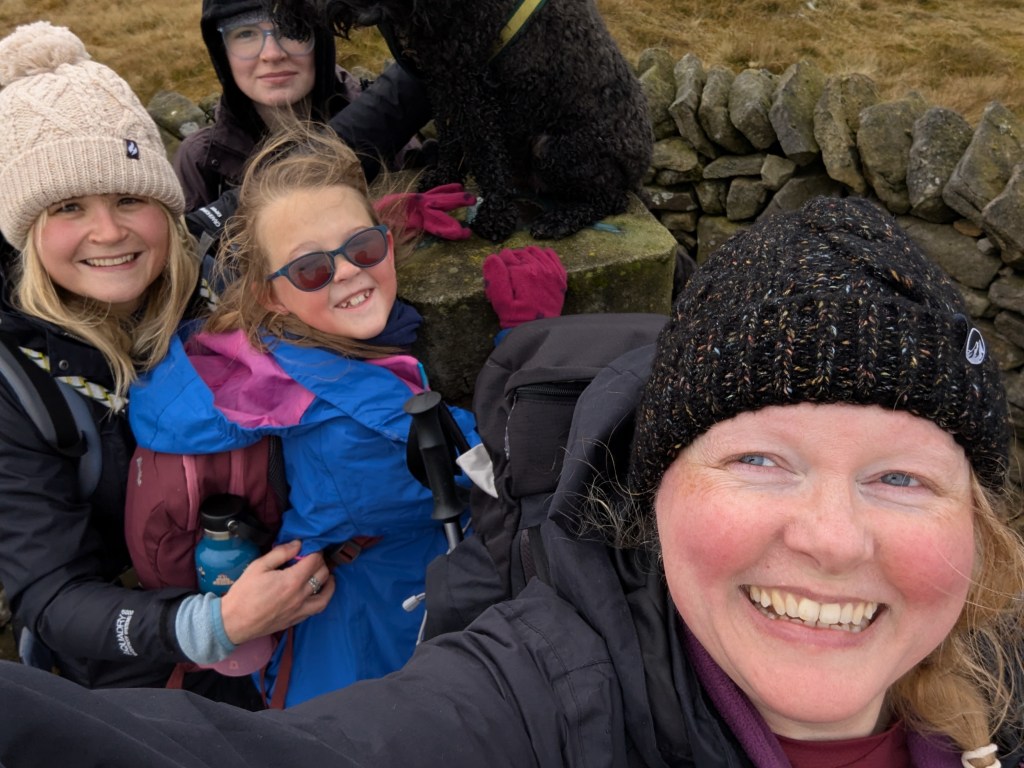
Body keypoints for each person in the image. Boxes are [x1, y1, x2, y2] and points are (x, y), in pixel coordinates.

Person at [0, 195, 1021, 768]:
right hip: (335, 637)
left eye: (900, 478)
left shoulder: (384, 362)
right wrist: (205, 631)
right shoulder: (546, 697)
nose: (833, 539)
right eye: (758, 458)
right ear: (654, 488)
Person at [0, 21, 330, 707]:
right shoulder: (16, 380)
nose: (109, 231)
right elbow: (50, 595)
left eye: (129, 198)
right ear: (28, 236)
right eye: (67, 208)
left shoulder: (226, 295)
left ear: (166, 207)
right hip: (145, 677)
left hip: (304, 619)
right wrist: (212, 626)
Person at [131, 123, 496, 707]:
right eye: (311, 269)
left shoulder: (272, 355)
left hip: (335, 636)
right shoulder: (359, 422)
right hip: (374, 651)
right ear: (271, 295)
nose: (348, 271)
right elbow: (487, 474)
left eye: (364, 247)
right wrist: (518, 337)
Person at [175, 0, 433, 213]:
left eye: (292, 30)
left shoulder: (390, 120)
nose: (272, 54)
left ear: (320, 41)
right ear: (222, 52)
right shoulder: (201, 159)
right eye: (245, 34)